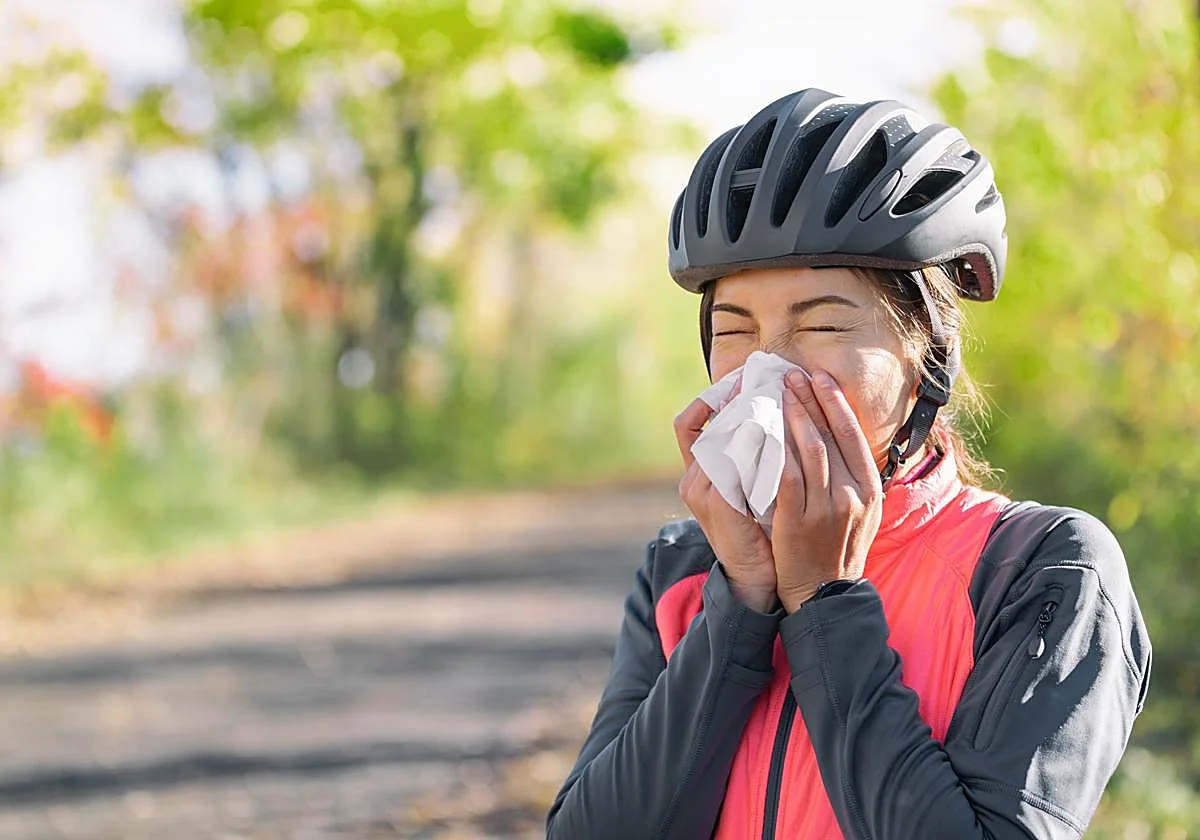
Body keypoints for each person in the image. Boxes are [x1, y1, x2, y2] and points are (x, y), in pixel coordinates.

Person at [546, 88, 1151, 839]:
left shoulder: (1041, 570)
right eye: (735, 330)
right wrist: (741, 602)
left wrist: (825, 598)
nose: (767, 368)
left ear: (929, 354)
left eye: (824, 322)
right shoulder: (682, 568)